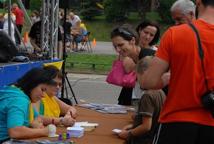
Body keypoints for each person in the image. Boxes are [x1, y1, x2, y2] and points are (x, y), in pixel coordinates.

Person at [140, 0, 214, 144]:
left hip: (177, 121)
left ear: (198, 3)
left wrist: (170, 77)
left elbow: (148, 81)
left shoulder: (175, 33)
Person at [0, 67, 57, 142]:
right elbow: (15, 131)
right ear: (32, 84)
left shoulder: (17, 91)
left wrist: (61, 121)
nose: (43, 95)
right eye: (42, 90)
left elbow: (38, 117)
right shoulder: (19, 100)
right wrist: (44, 131)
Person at [118, 56, 165, 144]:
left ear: (144, 74)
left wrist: (129, 134)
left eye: (138, 77)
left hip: (143, 140)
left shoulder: (147, 96)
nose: (138, 81)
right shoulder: (160, 91)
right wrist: (134, 125)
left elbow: (146, 126)